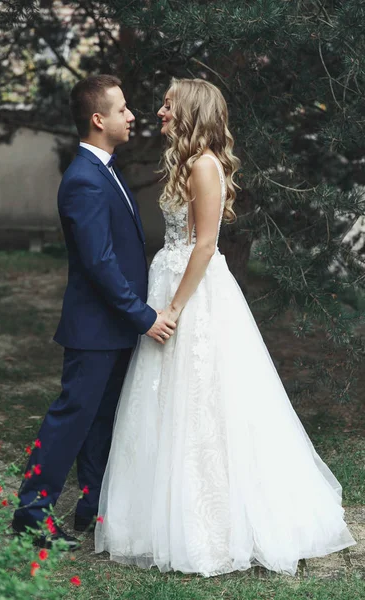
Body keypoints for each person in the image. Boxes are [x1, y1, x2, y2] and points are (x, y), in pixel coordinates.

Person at [95, 77, 356, 576]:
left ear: (190, 111)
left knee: (206, 398)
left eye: (169, 105)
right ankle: (157, 514)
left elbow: (206, 245)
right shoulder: (183, 163)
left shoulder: (206, 165)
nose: (160, 112)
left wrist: (172, 308)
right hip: (168, 280)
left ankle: (215, 521)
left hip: (194, 295)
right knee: (162, 397)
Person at [12, 75, 176, 549]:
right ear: (98, 119)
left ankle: (92, 506)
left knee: (103, 419)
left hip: (115, 325)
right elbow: (99, 262)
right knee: (72, 417)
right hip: (95, 326)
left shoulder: (106, 169)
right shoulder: (84, 179)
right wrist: (143, 315)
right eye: (123, 109)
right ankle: (31, 512)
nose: (133, 117)